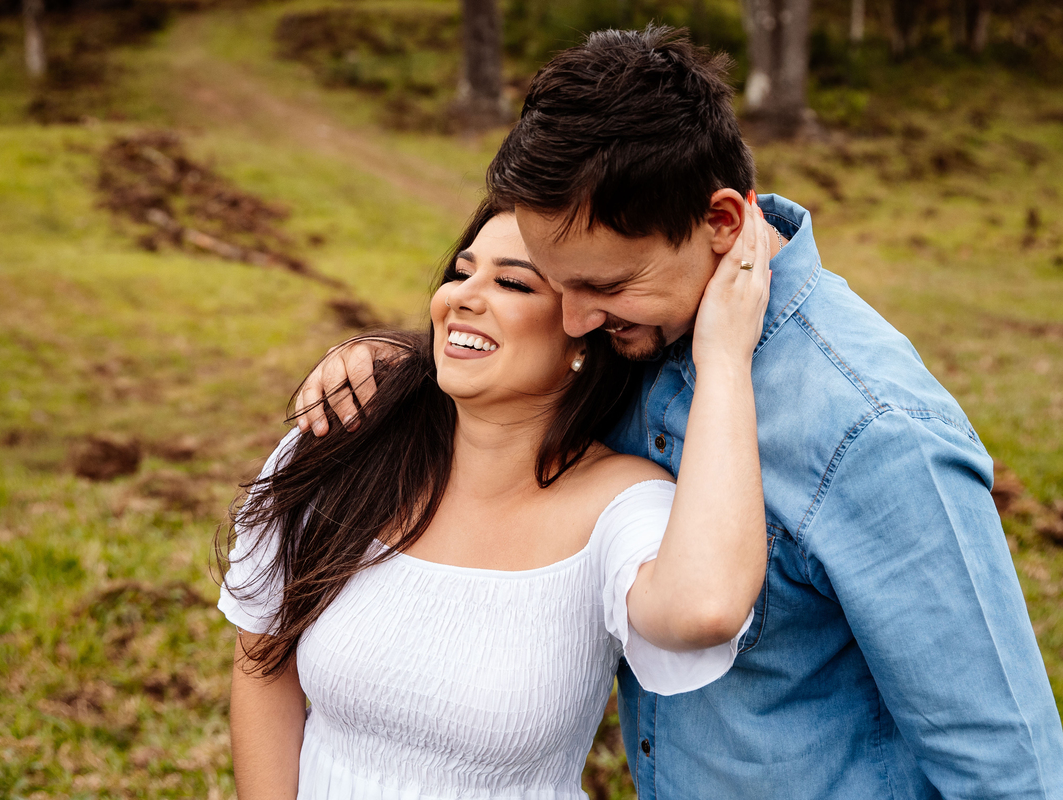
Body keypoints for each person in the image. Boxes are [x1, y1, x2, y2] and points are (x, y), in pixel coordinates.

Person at [296, 26, 1063, 800]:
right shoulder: (641, 331)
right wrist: (394, 362)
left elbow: (1005, 765)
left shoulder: (874, 430)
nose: (575, 321)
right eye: (559, 285)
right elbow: (515, 375)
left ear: (723, 222)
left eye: (604, 287)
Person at [218, 196, 775, 798]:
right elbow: (262, 665)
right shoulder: (347, 437)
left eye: (512, 282)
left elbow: (705, 610)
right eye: (462, 272)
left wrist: (724, 360)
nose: (461, 296)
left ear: (584, 334)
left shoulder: (620, 503)